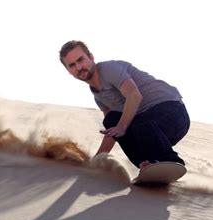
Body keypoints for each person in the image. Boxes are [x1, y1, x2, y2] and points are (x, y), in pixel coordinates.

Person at [59, 40, 190, 171]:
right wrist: (97, 160)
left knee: (138, 124)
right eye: (72, 65)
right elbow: (113, 131)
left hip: (174, 114)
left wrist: (121, 127)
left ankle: (172, 162)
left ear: (91, 57)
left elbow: (134, 95)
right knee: (111, 120)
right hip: (152, 134)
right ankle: (148, 165)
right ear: (68, 71)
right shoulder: (98, 97)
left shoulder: (110, 69)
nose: (78, 67)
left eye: (81, 60)